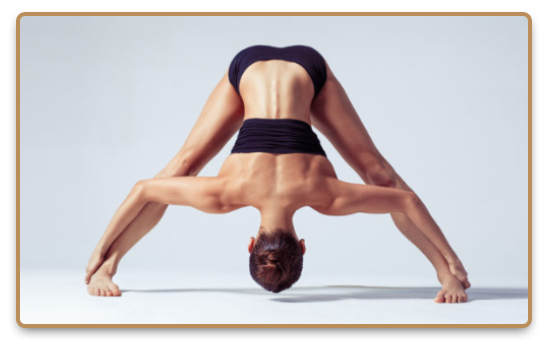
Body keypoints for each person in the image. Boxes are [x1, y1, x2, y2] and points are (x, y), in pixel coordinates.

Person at [84, 45, 471, 303]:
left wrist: (453, 261)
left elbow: (406, 201)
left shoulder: (327, 198)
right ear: (251, 243)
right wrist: (99, 250)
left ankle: (447, 275)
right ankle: (106, 266)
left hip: (306, 71)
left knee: (379, 177)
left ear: (302, 245)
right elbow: (144, 190)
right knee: (176, 174)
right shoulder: (223, 196)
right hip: (247, 68)